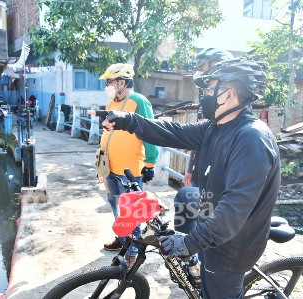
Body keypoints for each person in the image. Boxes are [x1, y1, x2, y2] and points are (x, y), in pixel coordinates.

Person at [91, 59, 280, 299]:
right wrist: (127, 120)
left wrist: (190, 242)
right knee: (185, 195)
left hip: (232, 246)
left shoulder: (251, 138)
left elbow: (234, 209)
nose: (204, 96)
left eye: (209, 90)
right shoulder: (217, 127)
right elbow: (173, 131)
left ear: (229, 95)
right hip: (214, 228)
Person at [98, 63, 159, 267]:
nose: (107, 86)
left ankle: (133, 250)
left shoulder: (138, 101)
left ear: (121, 83)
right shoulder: (111, 104)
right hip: (110, 167)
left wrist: (150, 163)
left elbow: (150, 132)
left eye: (110, 82)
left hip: (129, 170)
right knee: (116, 206)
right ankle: (123, 239)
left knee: (131, 212)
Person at [176, 48, 234, 234]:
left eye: (203, 66)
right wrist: (190, 169)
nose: (200, 71)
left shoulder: (233, 110)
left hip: (220, 178)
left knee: (209, 219)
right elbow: (198, 141)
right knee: (193, 211)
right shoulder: (206, 104)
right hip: (202, 170)